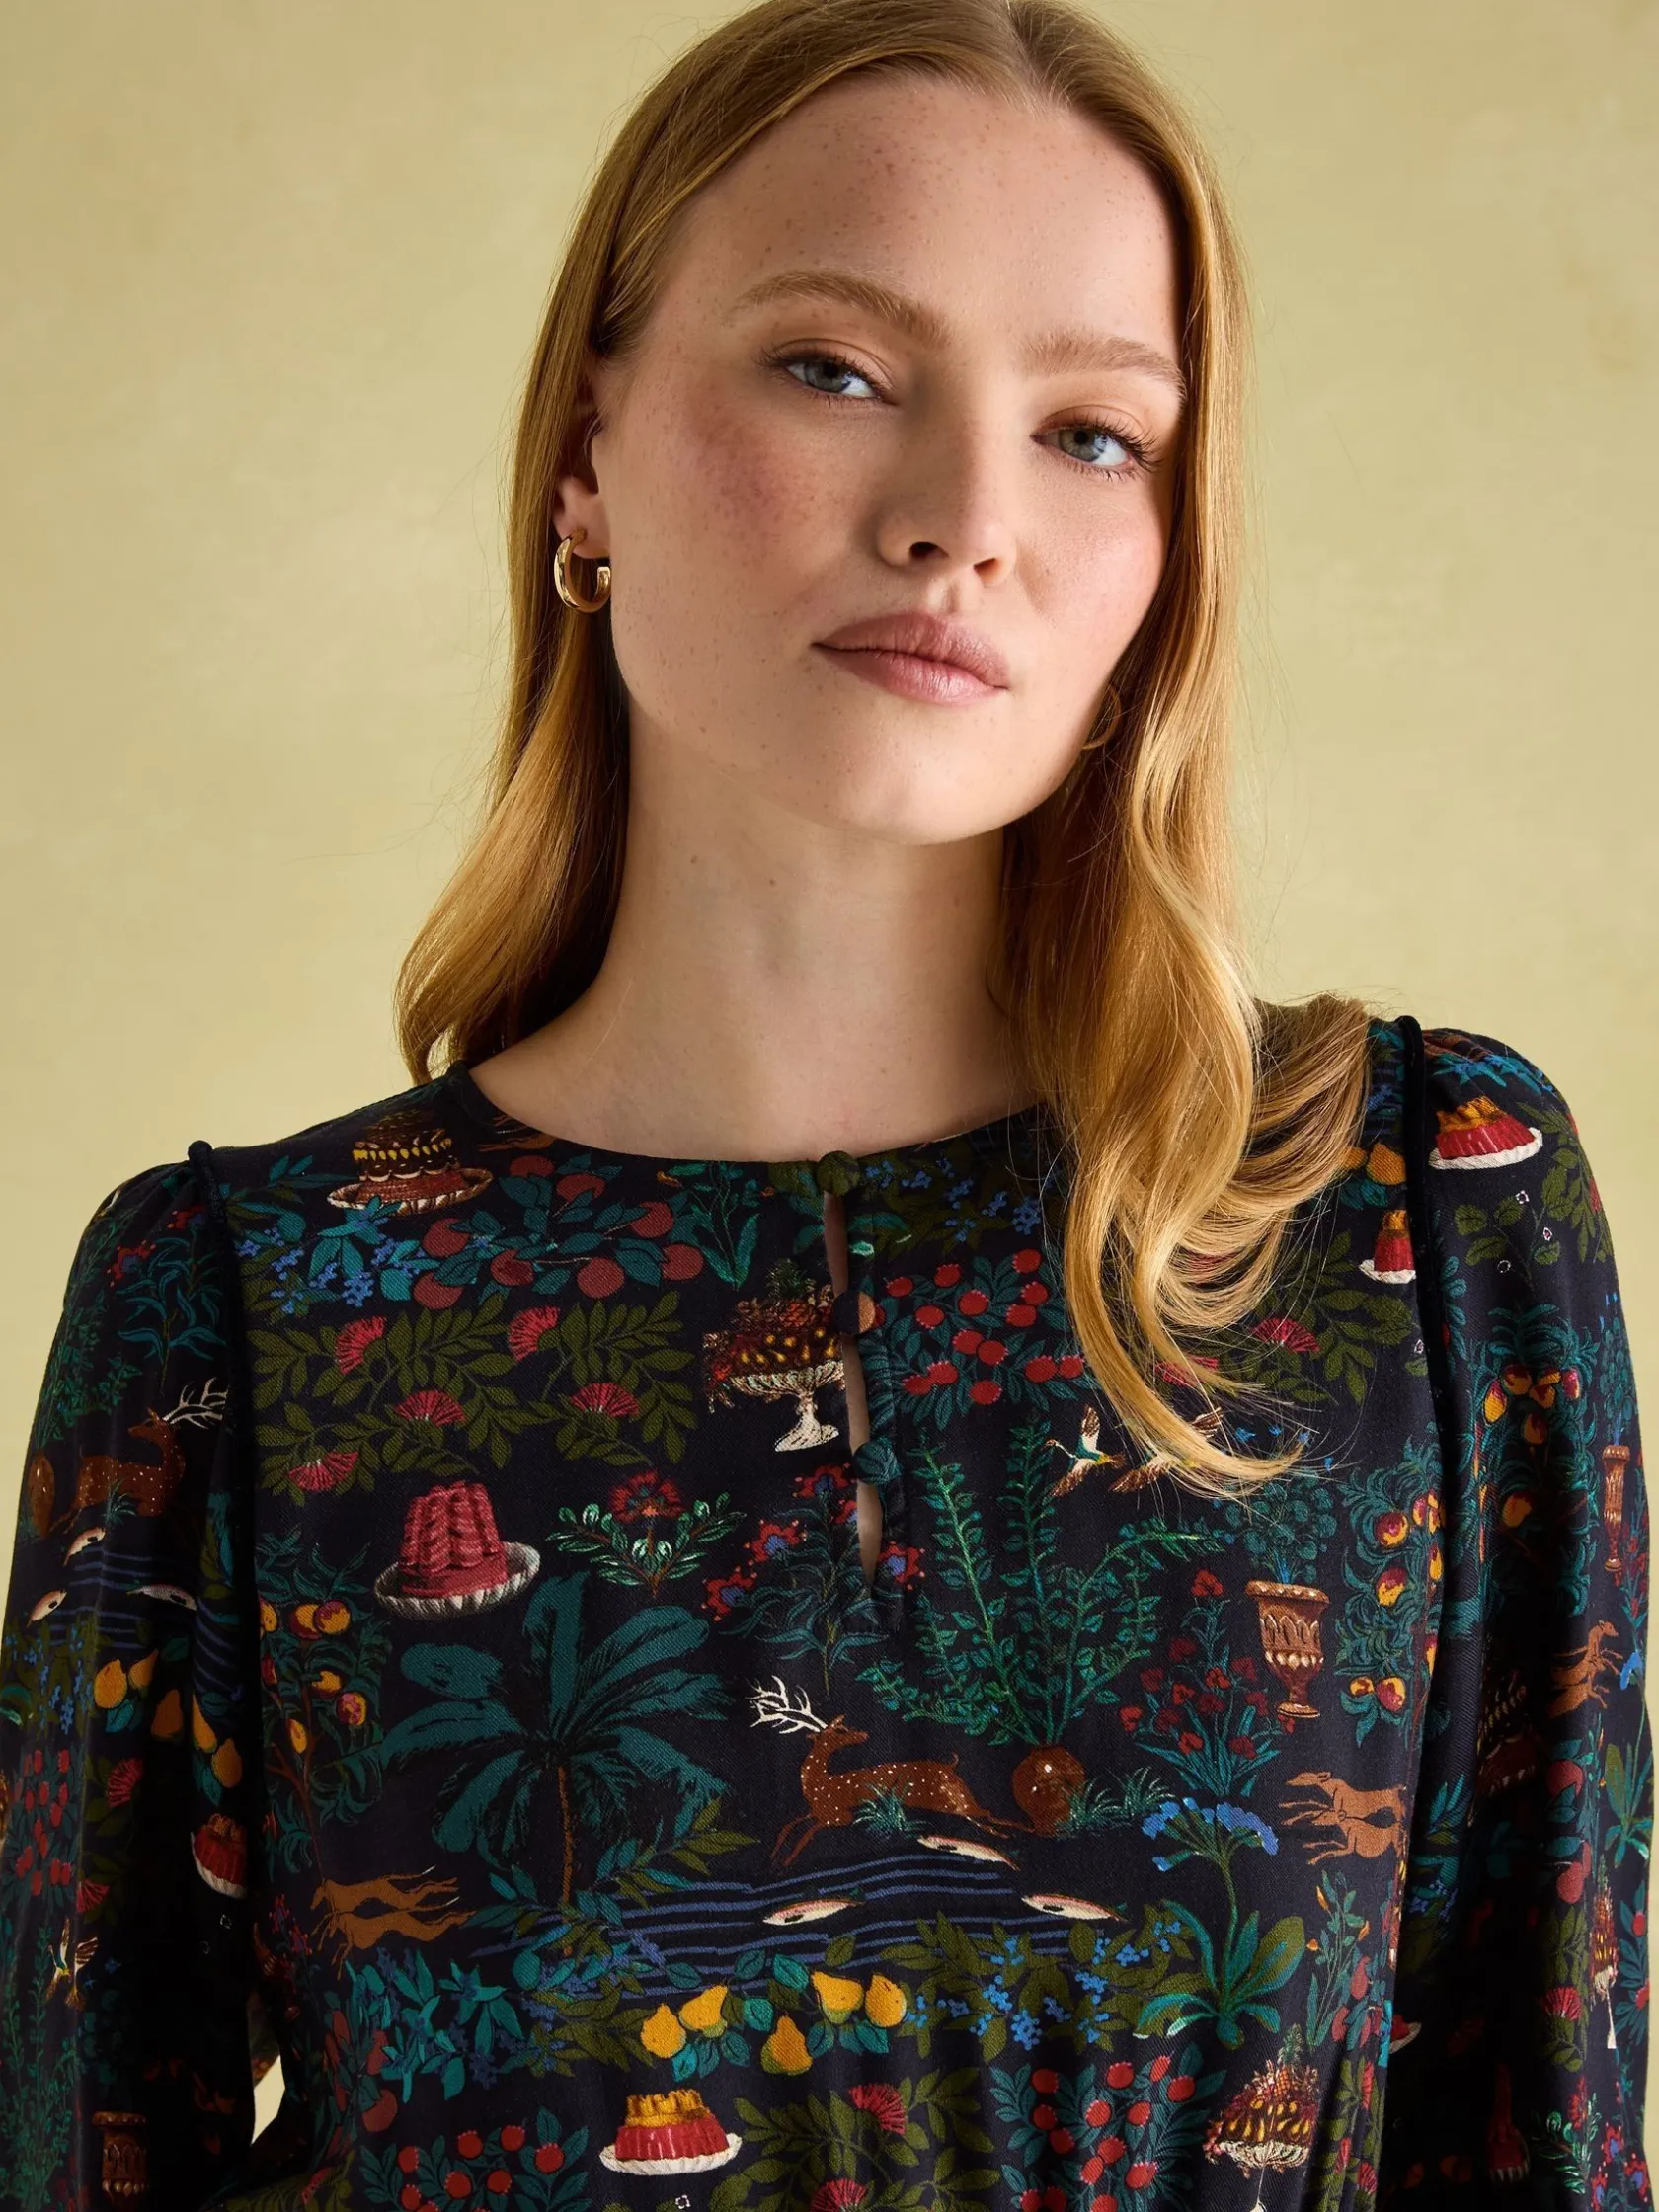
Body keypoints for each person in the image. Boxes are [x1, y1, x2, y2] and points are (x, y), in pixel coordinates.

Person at [0, 0, 1648, 2202]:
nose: (965, 518)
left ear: (1170, 553)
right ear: (586, 455)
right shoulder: (243, 1310)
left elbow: (1550, 2131)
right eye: (838, 371)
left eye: (1094, 433)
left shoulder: (1415, 1216)